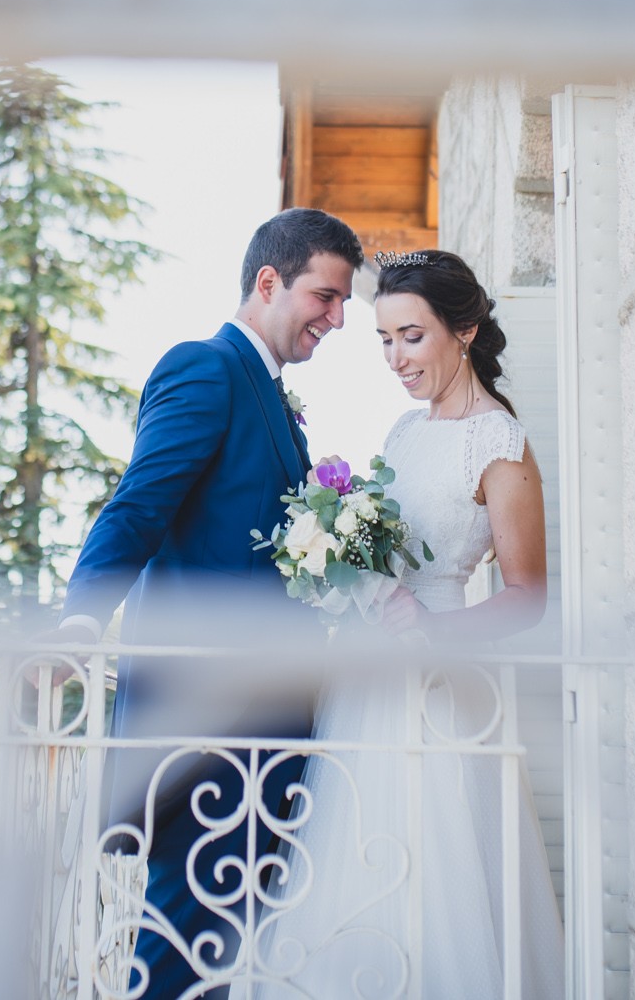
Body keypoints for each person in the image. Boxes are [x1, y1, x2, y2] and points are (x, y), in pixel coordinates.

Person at [53, 207, 362, 1000]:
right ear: (269, 280)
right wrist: (80, 622)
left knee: (230, 946)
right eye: (325, 297)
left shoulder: (272, 393)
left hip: (270, 723)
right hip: (203, 720)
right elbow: (139, 505)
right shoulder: (205, 367)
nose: (336, 317)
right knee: (181, 942)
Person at [259, 248, 565, 998]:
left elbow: (528, 595)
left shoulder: (500, 443)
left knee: (441, 862)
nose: (396, 358)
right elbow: (382, 551)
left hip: (445, 676)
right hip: (371, 678)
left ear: (463, 330)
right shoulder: (402, 431)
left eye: (412, 336)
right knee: (358, 857)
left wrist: (429, 628)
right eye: (385, 339)